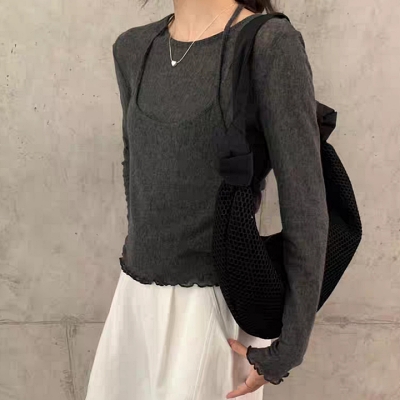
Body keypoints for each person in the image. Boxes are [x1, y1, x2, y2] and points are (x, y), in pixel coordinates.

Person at [85, 0, 329, 399]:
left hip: (212, 312)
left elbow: (306, 205)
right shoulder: (132, 48)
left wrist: (286, 351)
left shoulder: (268, 44)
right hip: (134, 302)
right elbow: (136, 163)